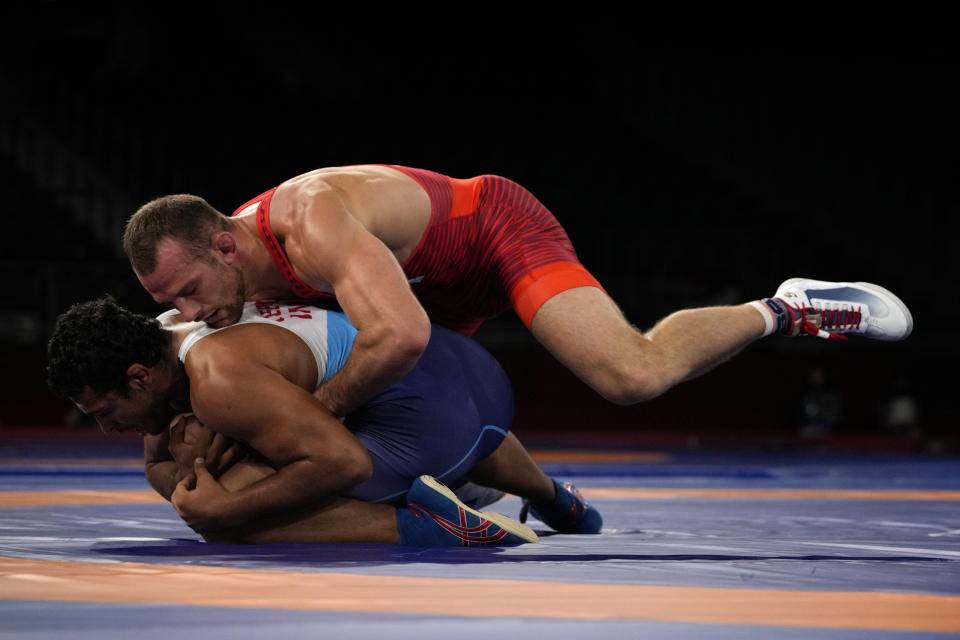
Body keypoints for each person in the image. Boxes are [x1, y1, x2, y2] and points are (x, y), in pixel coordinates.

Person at [122, 165, 915, 422]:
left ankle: (788, 306)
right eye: (175, 302)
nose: (190, 312)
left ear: (227, 244)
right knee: (407, 408)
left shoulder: (309, 221)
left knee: (628, 375)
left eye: (190, 291)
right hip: (421, 283)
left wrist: (311, 413)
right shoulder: (218, 278)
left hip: (492, 233)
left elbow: (398, 338)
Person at [46, 296, 601, 546]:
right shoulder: (173, 322)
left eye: (104, 412)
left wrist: (224, 508)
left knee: (233, 508)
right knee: (225, 458)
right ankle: (557, 500)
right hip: (468, 381)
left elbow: (343, 460)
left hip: (430, 417)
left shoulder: (216, 380)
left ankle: (431, 528)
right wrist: (183, 471)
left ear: (139, 377)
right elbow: (155, 461)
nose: (106, 429)